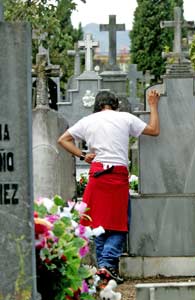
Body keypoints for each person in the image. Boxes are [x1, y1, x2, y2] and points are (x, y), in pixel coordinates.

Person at [57, 90, 160, 284]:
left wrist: (82, 155)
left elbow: (62, 139)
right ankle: (106, 265)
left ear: (97, 105)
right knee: (119, 224)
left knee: (98, 224)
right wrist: (153, 104)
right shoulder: (125, 118)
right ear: (115, 104)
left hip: (97, 174)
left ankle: (103, 267)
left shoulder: (88, 120)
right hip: (117, 174)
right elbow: (154, 130)